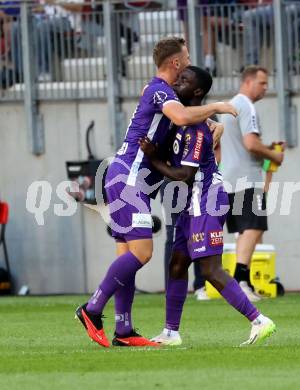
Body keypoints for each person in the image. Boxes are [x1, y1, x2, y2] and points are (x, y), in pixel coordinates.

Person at [75, 36, 237, 348]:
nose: (188, 65)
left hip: (124, 177)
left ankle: (124, 331)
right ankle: (92, 308)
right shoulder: (160, 90)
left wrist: (215, 123)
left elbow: (184, 117)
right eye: (186, 60)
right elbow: (181, 116)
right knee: (143, 253)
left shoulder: (161, 92)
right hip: (130, 179)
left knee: (126, 254)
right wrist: (216, 107)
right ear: (175, 63)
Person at [139, 65, 276, 346]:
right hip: (190, 202)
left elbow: (185, 175)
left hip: (206, 199)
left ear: (197, 91)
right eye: (179, 77)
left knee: (210, 269)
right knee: (177, 264)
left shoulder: (196, 131)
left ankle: (259, 320)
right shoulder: (181, 121)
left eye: (185, 80)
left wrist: (153, 158)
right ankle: (171, 332)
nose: (178, 82)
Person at [220, 65, 284, 302]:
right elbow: (251, 144)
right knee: (254, 227)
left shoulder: (229, 107)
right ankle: (240, 281)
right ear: (247, 82)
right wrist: (274, 155)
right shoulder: (246, 106)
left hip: (230, 178)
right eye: (262, 83)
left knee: (245, 231)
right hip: (247, 178)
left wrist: (265, 147)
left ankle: (241, 280)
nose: (265, 88)